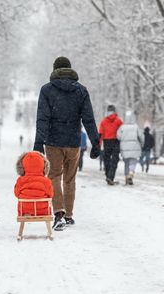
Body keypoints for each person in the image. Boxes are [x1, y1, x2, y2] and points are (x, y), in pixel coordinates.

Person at [33, 56, 100, 231]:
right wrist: (95, 141)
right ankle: (68, 215)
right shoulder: (81, 91)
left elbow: (42, 118)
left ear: (54, 70)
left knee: (54, 175)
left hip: (53, 141)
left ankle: (59, 213)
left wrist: (38, 142)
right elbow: (89, 119)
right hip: (73, 141)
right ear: (70, 69)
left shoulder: (47, 90)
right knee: (70, 179)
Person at [14, 151, 54, 216]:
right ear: (44, 166)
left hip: (24, 210)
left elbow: (16, 193)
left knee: (22, 204)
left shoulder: (21, 180)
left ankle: (27, 212)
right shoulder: (46, 181)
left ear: (22, 166)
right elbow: (51, 194)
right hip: (42, 210)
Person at [117, 111, 143, 185]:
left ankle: (126, 177)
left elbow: (118, 136)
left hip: (124, 147)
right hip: (135, 146)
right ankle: (131, 173)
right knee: (133, 161)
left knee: (126, 163)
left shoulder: (122, 127)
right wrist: (142, 143)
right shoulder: (136, 126)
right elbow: (141, 136)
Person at [99, 105, 123, 185]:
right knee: (115, 159)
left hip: (106, 141)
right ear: (114, 111)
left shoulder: (103, 121)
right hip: (116, 141)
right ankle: (110, 176)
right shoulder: (119, 121)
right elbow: (123, 132)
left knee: (107, 159)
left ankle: (107, 175)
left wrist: (99, 145)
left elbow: (100, 134)